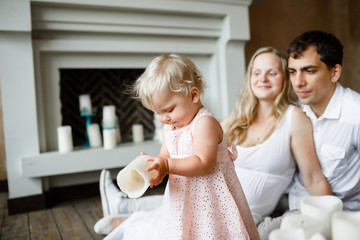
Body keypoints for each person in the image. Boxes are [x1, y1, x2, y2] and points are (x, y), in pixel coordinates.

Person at [95, 47, 333, 240]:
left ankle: (124, 212)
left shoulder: (294, 119)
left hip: (228, 205)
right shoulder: (232, 117)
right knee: (174, 226)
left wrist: (332, 215)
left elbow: (314, 177)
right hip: (192, 196)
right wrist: (157, 171)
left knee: (155, 230)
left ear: (286, 76)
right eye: (256, 72)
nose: (262, 78)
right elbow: (177, 153)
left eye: (272, 72)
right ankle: (124, 207)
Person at [115, 54, 260, 239]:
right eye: (158, 113)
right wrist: (156, 170)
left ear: (193, 95)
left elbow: (203, 162)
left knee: (212, 231)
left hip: (210, 197)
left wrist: (167, 165)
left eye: (168, 110)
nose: (164, 118)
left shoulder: (204, 123)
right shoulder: (170, 127)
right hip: (183, 197)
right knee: (185, 230)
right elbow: (165, 156)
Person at [286, 30, 360, 211]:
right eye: (292, 72)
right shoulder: (293, 110)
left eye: (309, 71)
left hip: (343, 216)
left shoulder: (356, 115)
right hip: (295, 207)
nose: (298, 82)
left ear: (334, 73)